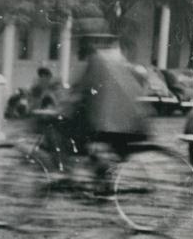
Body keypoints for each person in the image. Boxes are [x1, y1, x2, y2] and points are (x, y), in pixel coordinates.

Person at [58, 17, 151, 171]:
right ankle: (99, 172)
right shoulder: (115, 57)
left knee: (69, 132)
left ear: (87, 42)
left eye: (81, 42)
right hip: (134, 123)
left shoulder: (96, 60)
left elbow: (81, 91)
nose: (78, 47)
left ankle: (69, 170)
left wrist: (61, 108)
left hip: (114, 126)